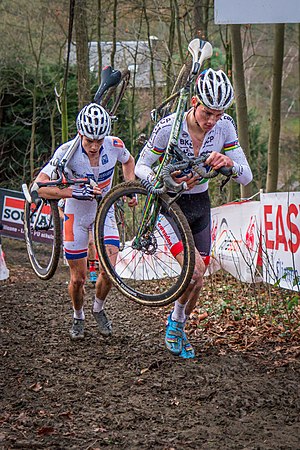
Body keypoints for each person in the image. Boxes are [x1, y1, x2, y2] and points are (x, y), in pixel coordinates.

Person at [135, 68, 253, 359]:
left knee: (198, 278)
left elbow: (246, 176)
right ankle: (176, 325)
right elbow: (140, 167)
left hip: (200, 204)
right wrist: (161, 182)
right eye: (207, 112)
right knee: (196, 269)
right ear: (194, 102)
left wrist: (228, 162)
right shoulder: (169, 127)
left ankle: (176, 324)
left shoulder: (225, 126)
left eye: (218, 113)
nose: (212, 120)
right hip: (169, 206)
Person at [35, 103, 136, 340]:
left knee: (109, 271)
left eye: (99, 140)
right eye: (89, 140)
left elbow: (128, 161)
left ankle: (98, 309)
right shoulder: (65, 153)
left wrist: (130, 188)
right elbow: (39, 188)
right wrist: (71, 192)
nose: (94, 146)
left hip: (105, 211)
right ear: (80, 133)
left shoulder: (114, 145)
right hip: (76, 215)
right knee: (78, 279)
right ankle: (78, 314)